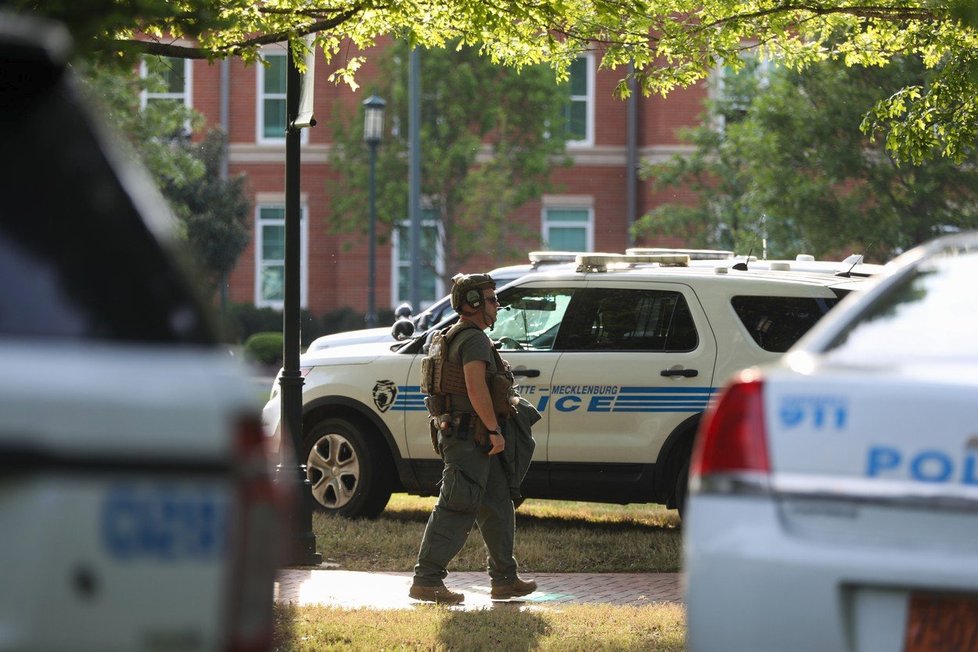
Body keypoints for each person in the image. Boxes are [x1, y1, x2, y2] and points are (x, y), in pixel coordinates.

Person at [408, 273, 537, 604]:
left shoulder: (459, 336)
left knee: (497, 504)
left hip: (469, 435)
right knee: (457, 504)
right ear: (474, 304)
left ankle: (505, 579)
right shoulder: (474, 339)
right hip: (471, 438)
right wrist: (494, 430)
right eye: (492, 299)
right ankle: (427, 580)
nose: (497, 305)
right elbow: (475, 387)